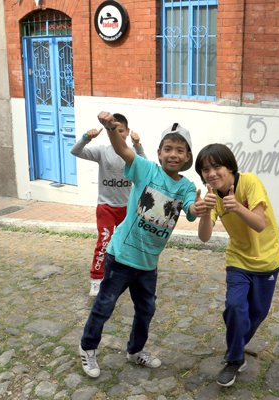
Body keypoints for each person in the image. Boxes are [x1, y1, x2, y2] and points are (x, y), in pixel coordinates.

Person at [78, 112, 200, 378]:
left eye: (180, 150)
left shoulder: (187, 187)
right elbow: (122, 148)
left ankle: (135, 351)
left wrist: (199, 207)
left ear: (188, 157)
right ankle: (87, 347)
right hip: (120, 257)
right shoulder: (145, 169)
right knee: (104, 305)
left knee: (146, 310)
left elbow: (191, 209)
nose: (173, 154)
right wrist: (111, 128)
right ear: (158, 152)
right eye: (168, 148)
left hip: (148, 263)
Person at [193, 143, 279, 387]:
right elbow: (204, 237)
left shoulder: (250, 182)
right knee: (234, 306)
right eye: (205, 169)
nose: (211, 173)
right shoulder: (213, 197)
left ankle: (236, 338)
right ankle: (234, 359)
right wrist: (204, 212)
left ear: (230, 167)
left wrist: (237, 206)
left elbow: (259, 224)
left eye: (216, 166)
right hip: (238, 260)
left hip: (267, 260)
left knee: (257, 313)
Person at [70, 113, 145, 296]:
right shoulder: (102, 151)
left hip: (126, 208)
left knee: (126, 243)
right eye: (114, 130)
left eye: (121, 130)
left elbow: (146, 168)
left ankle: (124, 275)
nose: (118, 134)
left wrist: (138, 146)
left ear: (127, 132)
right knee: (104, 241)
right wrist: (86, 138)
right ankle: (96, 279)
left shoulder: (132, 154)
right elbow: (75, 151)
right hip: (105, 206)